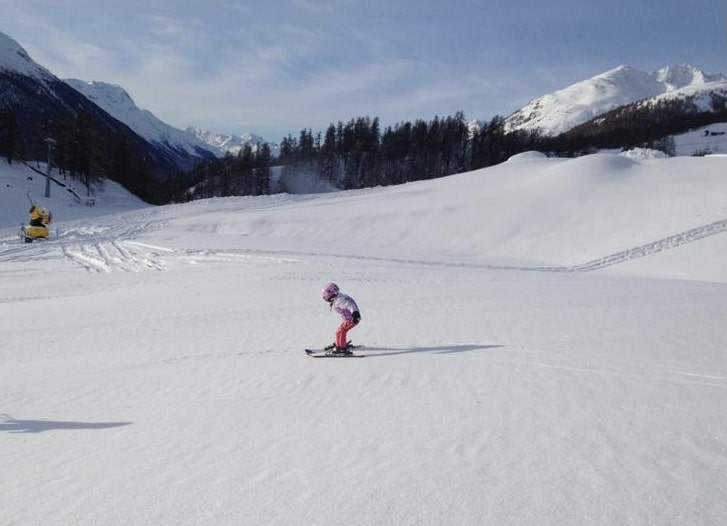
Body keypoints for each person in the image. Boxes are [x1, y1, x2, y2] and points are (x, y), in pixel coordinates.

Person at [321, 283, 361, 354]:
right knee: (339, 331)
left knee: (341, 331)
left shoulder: (339, 301)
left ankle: (341, 348)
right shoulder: (339, 298)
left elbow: (350, 305)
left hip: (352, 319)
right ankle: (339, 343)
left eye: (326, 298)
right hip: (348, 319)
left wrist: (355, 313)